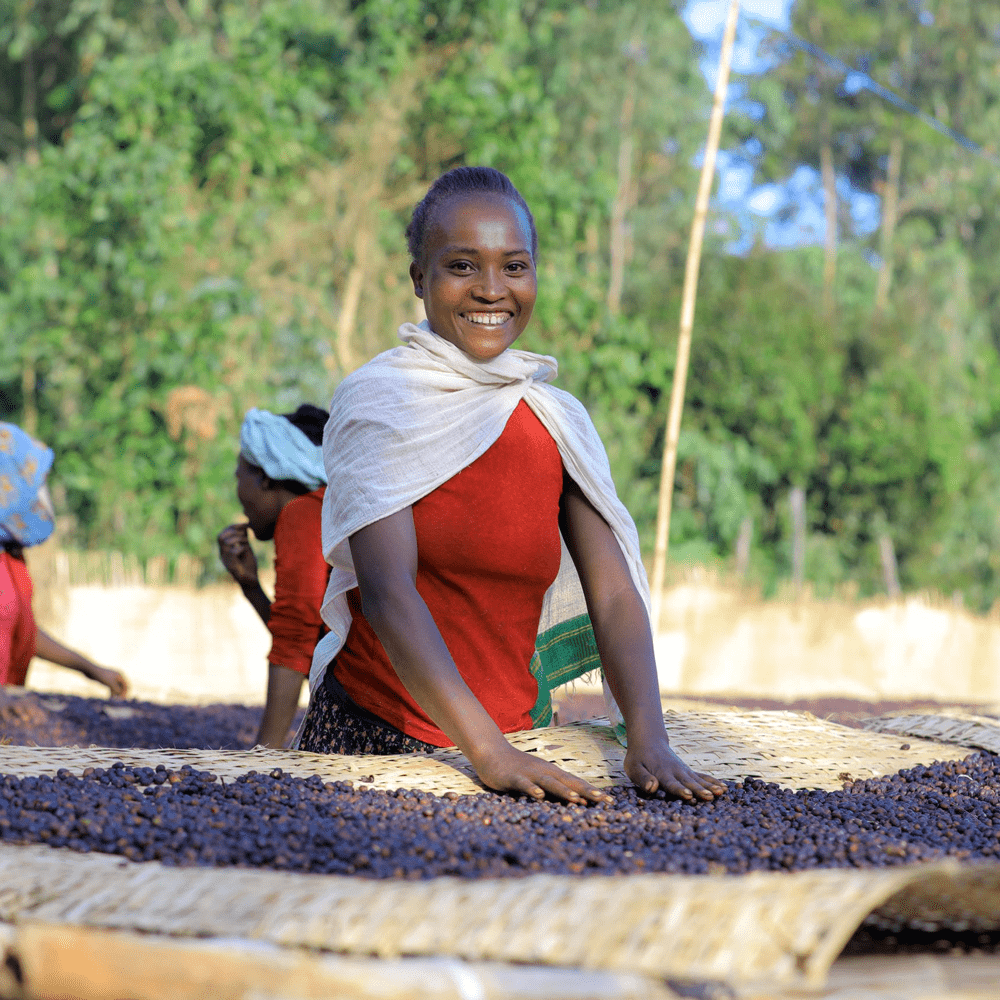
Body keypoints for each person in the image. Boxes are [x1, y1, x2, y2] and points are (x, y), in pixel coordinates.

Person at [297, 166, 725, 805]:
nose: (491, 290)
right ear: (421, 279)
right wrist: (485, 752)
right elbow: (389, 595)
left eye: (514, 267)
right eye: (462, 266)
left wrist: (649, 738)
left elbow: (613, 594)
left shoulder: (556, 421)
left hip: (521, 741)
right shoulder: (381, 402)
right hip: (378, 737)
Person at [217, 405, 330, 748]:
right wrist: (251, 587)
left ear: (265, 477)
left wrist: (265, 754)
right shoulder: (329, 506)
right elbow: (312, 645)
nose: (240, 495)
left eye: (240, 476)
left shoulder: (303, 513)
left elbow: (295, 638)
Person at [0, 422, 128, 696]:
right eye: (32, 482)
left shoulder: (11, 557)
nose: (41, 496)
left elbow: (20, 632)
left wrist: (91, 669)